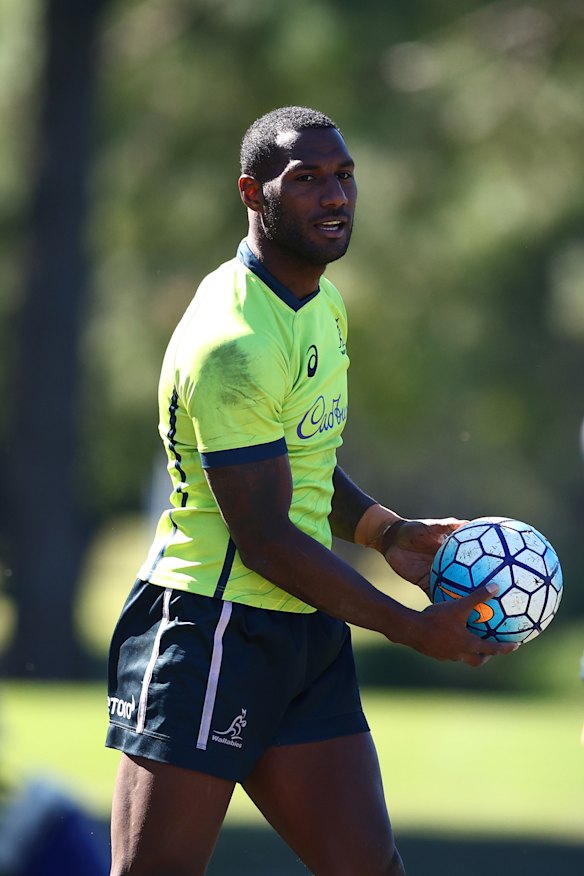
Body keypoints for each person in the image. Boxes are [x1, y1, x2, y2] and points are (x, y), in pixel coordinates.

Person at [106, 106, 517, 876]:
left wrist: (388, 532)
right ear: (252, 193)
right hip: (211, 630)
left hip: (305, 634)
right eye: (305, 181)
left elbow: (304, 468)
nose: (334, 197)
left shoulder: (322, 305)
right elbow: (263, 536)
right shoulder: (233, 342)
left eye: (344, 176)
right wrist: (408, 627)